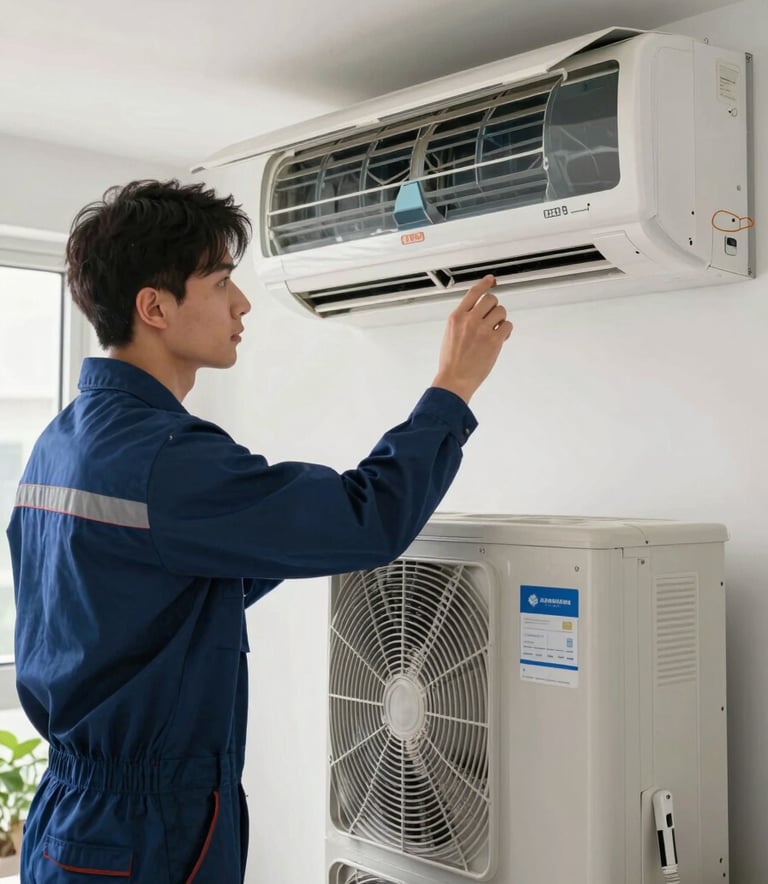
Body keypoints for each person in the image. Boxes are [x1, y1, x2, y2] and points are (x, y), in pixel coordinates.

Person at [6, 179, 512, 883]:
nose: (241, 303)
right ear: (154, 307)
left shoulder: (62, 441)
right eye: (219, 282)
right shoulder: (164, 460)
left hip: (73, 818)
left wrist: (277, 530)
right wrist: (452, 388)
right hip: (143, 832)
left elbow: (137, 606)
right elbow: (368, 520)